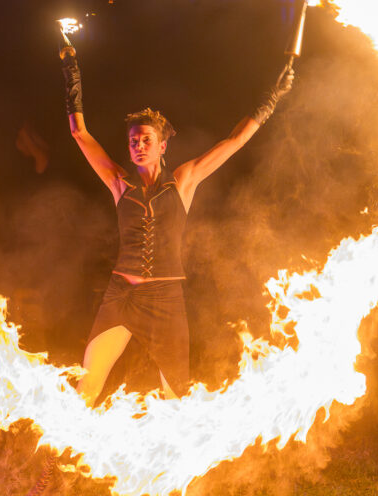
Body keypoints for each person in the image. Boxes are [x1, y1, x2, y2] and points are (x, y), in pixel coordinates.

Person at [60, 41, 294, 406]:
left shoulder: (184, 180)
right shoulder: (119, 183)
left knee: (175, 395)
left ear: (162, 145)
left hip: (166, 298)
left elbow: (233, 142)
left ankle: (174, 462)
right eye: (133, 140)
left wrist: (270, 99)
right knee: (87, 386)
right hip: (121, 295)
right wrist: (71, 74)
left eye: (146, 140)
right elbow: (80, 135)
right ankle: (62, 460)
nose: (138, 145)